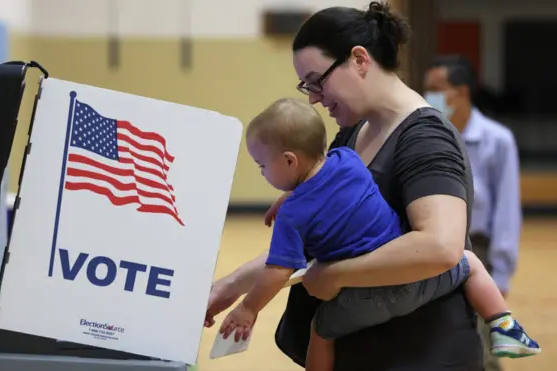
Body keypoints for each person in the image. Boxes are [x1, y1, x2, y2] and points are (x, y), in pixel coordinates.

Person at [204, 2, 482, 369]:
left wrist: (333, 275)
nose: (313, 98)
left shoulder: (425, 137)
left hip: (421, 354)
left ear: (359, 60)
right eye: (306, 85)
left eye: (317, 81)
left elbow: (440, 246)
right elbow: (309, 239)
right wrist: (229, 286)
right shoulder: (352, 134)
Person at [216, 97, 538, 371]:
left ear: (289, 160)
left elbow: (277, 271)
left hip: (364, 296)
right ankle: (504, 325)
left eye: (261, 165)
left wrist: (249, 308)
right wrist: (292, 193)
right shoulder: (349, 160)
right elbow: (323, 183)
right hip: (415, 277)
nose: (261, 172)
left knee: (321, 329)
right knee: (469, 261)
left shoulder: (292, 216)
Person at [424, 55, 524, 371]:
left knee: (483, 342)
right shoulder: (427, 134)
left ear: (462, 92)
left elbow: (507, 209)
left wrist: (503, 270)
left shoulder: (497, 140)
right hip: (431, 249)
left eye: (436, 89)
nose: (430, 97)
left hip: (477, 252)